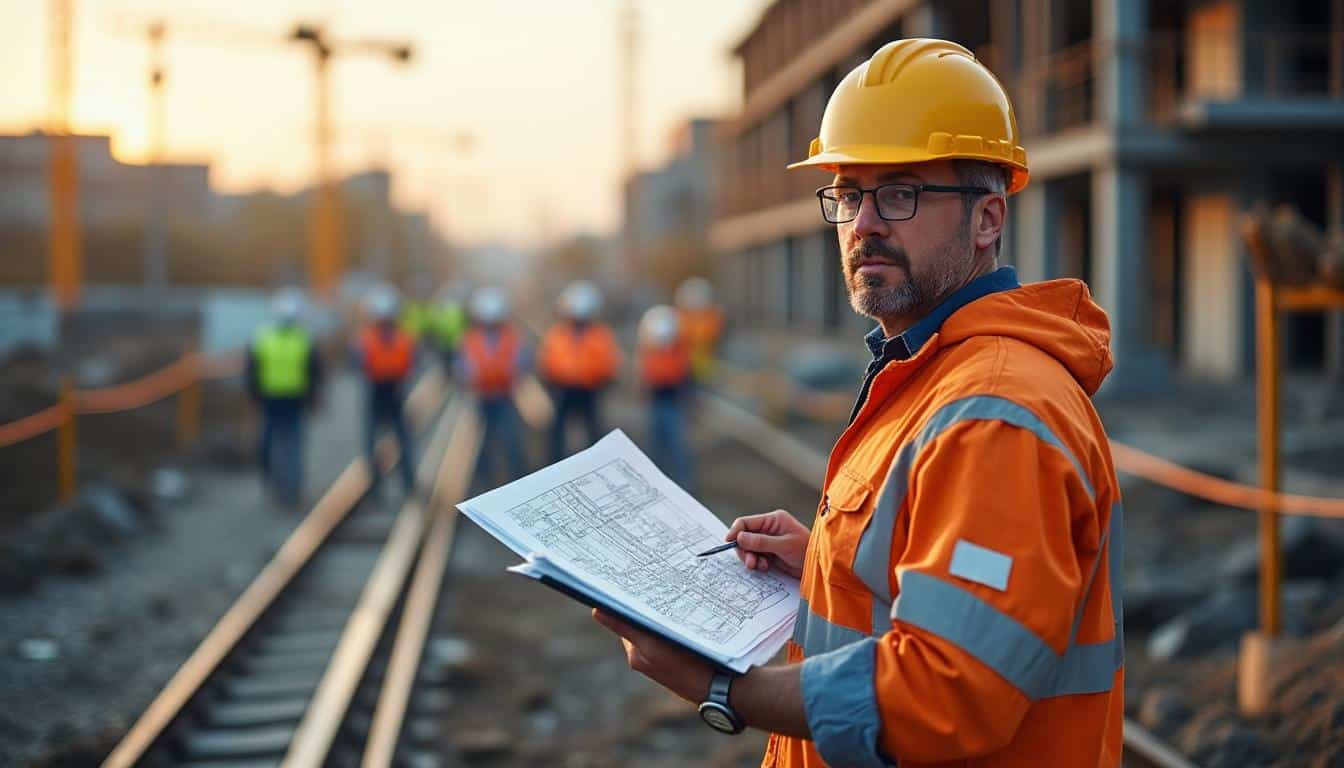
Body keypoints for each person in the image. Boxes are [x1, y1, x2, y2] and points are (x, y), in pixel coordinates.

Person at [592, 38, 1124, 767]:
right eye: (848, 194)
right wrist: (824, 567)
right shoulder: (931, 378)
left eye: (900, 192)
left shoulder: (995, 412)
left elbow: (946, 693)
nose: (865, 222)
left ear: (988, 220)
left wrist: (726, 688)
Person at [247, 287, 322, 509]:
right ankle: (281, 486)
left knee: (287, 445)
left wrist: (314, 395)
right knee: (278, 445)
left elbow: (313, 371)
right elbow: (253, 369)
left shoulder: (295, 339)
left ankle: (289, 489)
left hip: (287, 400)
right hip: (278, 400)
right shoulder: (270, 338)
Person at [538, 280, 622, 461]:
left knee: (594, 432)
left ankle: (598, 464)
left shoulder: (600, 335)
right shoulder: (557, 334)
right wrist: (551, 380)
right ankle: (554, 466)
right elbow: (548, 360)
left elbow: (609, 362)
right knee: (556, 434)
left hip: (590, 390)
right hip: (562, 390)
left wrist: (602, 380)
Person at [460, 286, 530, 488]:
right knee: (481, 443)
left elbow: (522, 361)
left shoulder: (512, 338)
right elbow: (463, 365)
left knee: (511, 440)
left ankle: (517, 480)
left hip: (504, 396)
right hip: (481, 398)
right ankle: (484, 482)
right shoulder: (471, 339)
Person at [356, 285, 417, 498]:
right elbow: (358, 364)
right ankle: (375, 488)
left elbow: (411, 362)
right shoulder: (366, 339)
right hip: (376, 393)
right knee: (372, 444)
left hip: (394, 393)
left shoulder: (403, 338)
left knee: (404, 440)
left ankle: (409, 484)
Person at [636, 305, 694, 489]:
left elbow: (682, 375)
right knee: (656, 444)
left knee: (676, 444)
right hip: (657, 400)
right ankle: (656, 480)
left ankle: (683, 482)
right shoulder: (649, 351)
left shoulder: (678, 351)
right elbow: (645, 376)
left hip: (671, 400)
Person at [674, 276, 725, 385]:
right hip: (687, 365)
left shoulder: (711, 318)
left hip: (703, 363)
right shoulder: (682, 318)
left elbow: (712, 336)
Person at [428, 283, 469, 374]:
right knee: (447, 366)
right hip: (447, 343)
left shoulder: (456, 309)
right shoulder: (444, 309)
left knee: (452, 366)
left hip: (454, 343)